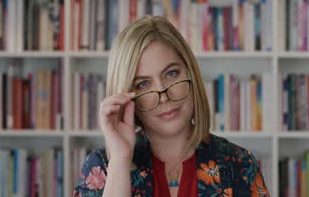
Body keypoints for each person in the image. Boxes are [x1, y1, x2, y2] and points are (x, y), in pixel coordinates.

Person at [73, 16, 270, 197]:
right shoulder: (102, 167)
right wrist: (120, 160)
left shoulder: (238, 162)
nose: (164, 95)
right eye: (143, 84)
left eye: (171, 73)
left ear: (190, 73)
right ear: (127, 96)